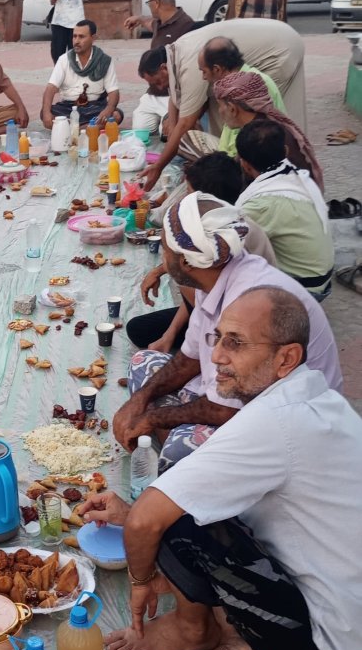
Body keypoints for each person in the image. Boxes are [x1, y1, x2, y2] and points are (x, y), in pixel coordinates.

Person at [82, 287, 362, 650]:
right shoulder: (314, 396)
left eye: (236, 343)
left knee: (174, 518)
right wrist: (131, 514)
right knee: (186, 498)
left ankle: (213, 637)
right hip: (349, 604)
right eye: (217, 338)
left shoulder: (273, 422)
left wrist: (141, 580)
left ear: (286, 358)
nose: (215, 356)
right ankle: (224, 630)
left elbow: (147, 520)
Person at [114, 192, 342, 472]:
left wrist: (153, 418)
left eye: (164, 249)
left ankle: (184, 467)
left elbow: (227, 408)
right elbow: (190, 358)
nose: (162, 258)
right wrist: (140, 400)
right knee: (144, 363)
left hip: (287, 423)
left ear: (186, 263)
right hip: (232, 394)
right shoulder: (214, 275)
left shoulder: (250, 303)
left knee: (183, 450)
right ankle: (174, 451)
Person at [126, 153, 276, 352]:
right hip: (220, 304)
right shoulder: (222, 225)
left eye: (188, 192)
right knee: (139, 328)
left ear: (203, 200)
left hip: (246, 318)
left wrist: (172, 269)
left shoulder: (228, 239)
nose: (184, 199)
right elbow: (201, 291)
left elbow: (200, 293)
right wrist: (169, 335)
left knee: (183, 279)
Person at [142, 20, 305, 191]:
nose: (203, 77)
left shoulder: (247, 91)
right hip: (236, 158)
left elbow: (239, 154)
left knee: (196, 185)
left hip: (244, 167)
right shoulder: (230, 87)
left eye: (204, 71)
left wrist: (209, 171)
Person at [236, 119, 333, 299]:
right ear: (286, 151)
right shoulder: (299, 178)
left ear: (245, 164)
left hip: (306, 290)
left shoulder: (260, 203)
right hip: (322, 279)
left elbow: (232, 246)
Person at [212, 71, 323, 190]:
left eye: (220, 106)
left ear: (232, 109)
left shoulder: (259, 138)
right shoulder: (267, 126)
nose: (219, 111)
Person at [40, 19, 121, 129]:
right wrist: (46, 113)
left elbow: (113, 92)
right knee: (46, 112)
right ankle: (88, 129)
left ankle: (71, 129)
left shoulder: (104, 61)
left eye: (81, 37)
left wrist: (108, 110)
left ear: (93, 38)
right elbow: (50, 88)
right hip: (68, 107)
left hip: (94, 107)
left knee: (116, 115)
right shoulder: (64, 60)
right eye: (74, 36)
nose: (76, 41)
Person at [123, 0, 195, 48]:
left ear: (156, 3)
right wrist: (139, 19)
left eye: (149, 2)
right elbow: (150, 24)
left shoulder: (187, 26)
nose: (149, 5)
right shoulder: (160, 22)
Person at [131, 47, 170, 139]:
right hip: (151, 97)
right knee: (139, 129)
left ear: (164, 68)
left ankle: (163, 120)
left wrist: (171, 116)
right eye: (153, 83)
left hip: (172, 99)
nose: (160, 87)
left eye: (158, 82)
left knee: (166, 132)